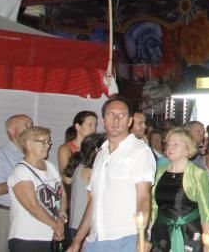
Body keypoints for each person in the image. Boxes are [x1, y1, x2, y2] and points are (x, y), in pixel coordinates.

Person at [67, 97, 156, 252]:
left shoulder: (139, 151)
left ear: (129, 121)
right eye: (111, 115)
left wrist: (142, 238)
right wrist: (78, 241)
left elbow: (143, 197)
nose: (116, 120)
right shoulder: (101, 153)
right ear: (103, 120)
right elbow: (94, 200)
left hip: (125, 238)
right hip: (96, 239)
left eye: (121, 115)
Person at [150, 127, 209, 252]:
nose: (170, 147)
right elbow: (154, 206)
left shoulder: (198, 174)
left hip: (188, 234)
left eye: (176, 144)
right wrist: (147, 232)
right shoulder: (160, 170)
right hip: (161, 232)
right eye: (168, 143)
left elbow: (206, 211)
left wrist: (207, 244)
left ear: (188, 149)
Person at [8, 126, 65, 251]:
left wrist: (62, 217)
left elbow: (62, 195)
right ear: (28, 144)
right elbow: (32, 206)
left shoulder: (50, 166)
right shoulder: (21, 172)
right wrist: (56, 225)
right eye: (43, 142)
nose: (48, 145)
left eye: (48, 141)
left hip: (50, 235)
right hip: (27, 237)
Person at [0, 113, 33, 252]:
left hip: (23, 214)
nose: (31, 129)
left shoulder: (30, 155)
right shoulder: (0, 156)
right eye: (27, 125)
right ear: (12, 131)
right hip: (2, 214)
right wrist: (25, 180)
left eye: (32, 125)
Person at [64, 133, 103, 242]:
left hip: (77, 224)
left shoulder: (80, 167)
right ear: (97, 150)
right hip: (83, 226)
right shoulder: (91, 171)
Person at [57, 112, 97, 178]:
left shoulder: (96, 148)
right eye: (90, 125)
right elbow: (66, 178)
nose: (94, 129)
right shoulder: (65, 149)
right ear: (78, 127)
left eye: (95, 125)